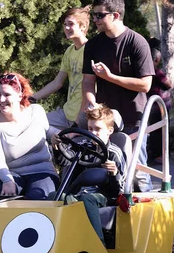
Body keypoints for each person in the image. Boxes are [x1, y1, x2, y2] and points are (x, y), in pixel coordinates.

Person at [81, 0, 155, 192]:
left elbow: (145, 85)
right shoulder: (94, 45)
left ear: (115, 15)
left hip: (133, 119)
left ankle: (142, 219)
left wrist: (110, 77)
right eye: (93, 15)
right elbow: (88, 81)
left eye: (99, 15)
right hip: (105, 122)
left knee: (137, 175)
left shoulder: (137, 42)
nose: (95, 20)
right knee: (108, 171)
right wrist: (90, 102)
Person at [51, 104, 126, 245]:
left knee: (87, 199)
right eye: (90, 129)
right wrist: (57, 147)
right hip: (79, 191)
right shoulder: (83, 146)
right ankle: (54, 240)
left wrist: (114, 173)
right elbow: (66, 162)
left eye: (98, 129)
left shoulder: (114, 153)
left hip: (105, 194)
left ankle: (98, 243)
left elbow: (119, 189)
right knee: (54, 197)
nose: (93, 133)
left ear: (110, 130)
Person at [0, 72, 59, 200]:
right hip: (11, 174)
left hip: (42, 172)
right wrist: (8, 180)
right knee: (2, 201)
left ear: (20, 95)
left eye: (7, 95)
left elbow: (48, 130)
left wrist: (65, 135)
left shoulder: (36, 111)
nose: (1, 100)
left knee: (39, 201)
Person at [30, 6, 91, 136]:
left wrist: (79, 120)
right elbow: (58, 82)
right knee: (34, 123)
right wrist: (32, 98)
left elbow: (90, 88)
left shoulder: (90, 50)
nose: (66, 28)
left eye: (71, 24)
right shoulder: (69, 51)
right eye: (65, 24)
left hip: (83, 117)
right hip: (66, 113)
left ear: (83, 26)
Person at [147, 44, 172, 164]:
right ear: (156, 59)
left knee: (153, 130)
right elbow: (168, 84)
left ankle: (153, 153)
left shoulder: (144, 70)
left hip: (150, 105)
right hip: (159, 106)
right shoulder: (156, 71)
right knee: (161, 131)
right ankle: (160, 155)